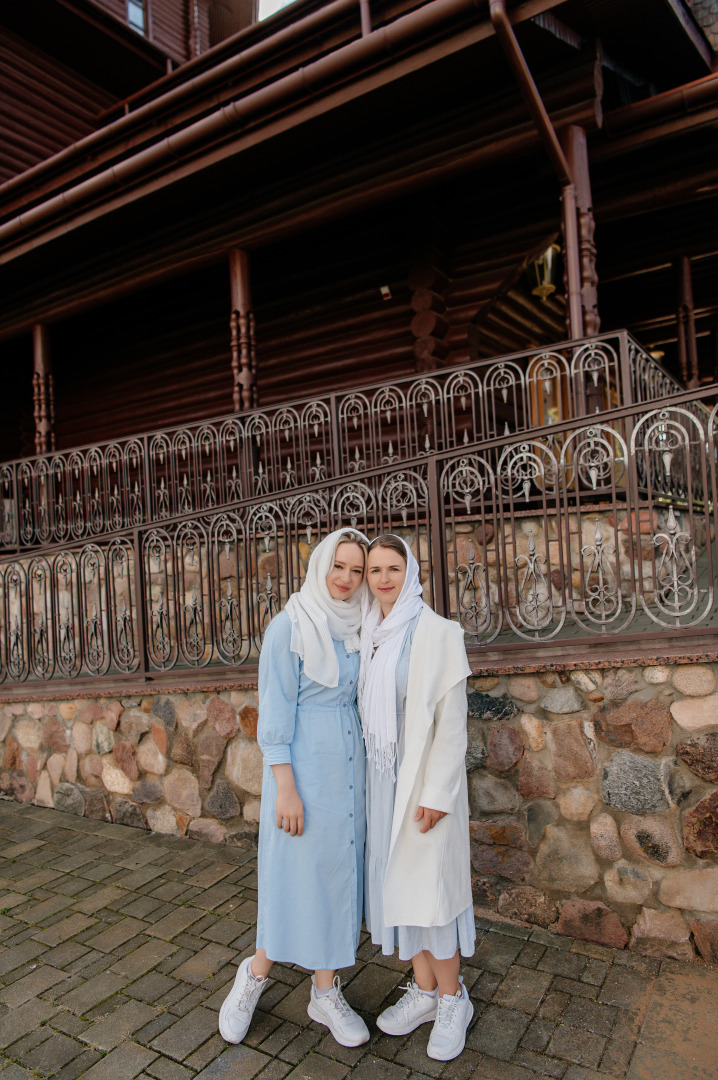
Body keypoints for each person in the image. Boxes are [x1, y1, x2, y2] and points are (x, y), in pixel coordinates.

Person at [219, 528, 371, 1048]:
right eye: (340, 567)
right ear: (321, 565)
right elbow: (276, 712)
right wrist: (285, 788)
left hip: (348, 765)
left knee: (336, 874)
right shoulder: (288, 627)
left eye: (357, 569)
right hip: (303, 766)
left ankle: (324, 992)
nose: (348, 580)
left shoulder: (356, 626)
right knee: (292, 873)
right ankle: (255, 975)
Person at [358, 534, 475, 1061]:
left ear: (411, 571)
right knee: (400, 887)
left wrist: (438, 793)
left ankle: (454, 999)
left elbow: (453, 725)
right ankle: (425, 991)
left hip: (423, 780)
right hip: (384, 777)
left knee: (431, 893)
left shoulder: (439, 633)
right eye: (374, 570)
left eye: (392, 568)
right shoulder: (370, 634)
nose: (383, 578)